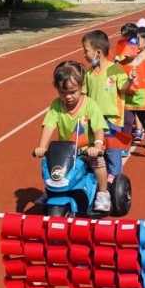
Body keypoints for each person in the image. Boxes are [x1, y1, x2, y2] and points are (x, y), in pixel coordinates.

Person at [35, 61, 110, 212]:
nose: (67, 97)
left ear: (82, 86)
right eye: (62, 93)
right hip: (65, 151)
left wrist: (96, 145)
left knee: (98, 164)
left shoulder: (90, 105)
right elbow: (49, 125)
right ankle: (50, 191)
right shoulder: (57, 105)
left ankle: (102, 192)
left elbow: (98, 128)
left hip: (86, 149)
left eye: (72, 92)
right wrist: (42, 146)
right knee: (51, 168)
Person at [82, 30, 134, 182]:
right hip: (93, 119)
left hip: (112, 118)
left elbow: (124, 89)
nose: (84, 55)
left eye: (86, 51)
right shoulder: (89, 73)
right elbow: (84, 94)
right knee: (93, 148)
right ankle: (97, 175)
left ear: (98, 52)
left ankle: (115, 177)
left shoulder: (115, 69)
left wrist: (129, 80)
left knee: (112, 150)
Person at [119, 29, 145, 151]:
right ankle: (125, 145)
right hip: (127, 99)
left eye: (130, 49)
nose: (126, 53)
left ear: (136, 49)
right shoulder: (120, 65)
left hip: (142, 98)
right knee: (127, 122)